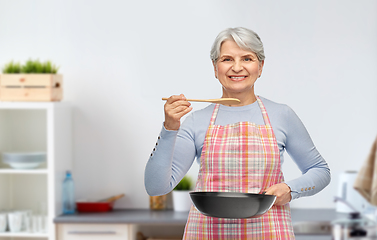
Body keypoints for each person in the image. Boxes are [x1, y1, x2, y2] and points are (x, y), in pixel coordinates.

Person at [144, 27, 330, 239]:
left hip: (268, 232)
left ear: (260, 66)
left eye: (247, 58)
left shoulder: (282, 115)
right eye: (227, 59)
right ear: (215, 67)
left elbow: (320, 170)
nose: (237, 67)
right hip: (207, 233)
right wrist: (169, 128)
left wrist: (291, 189)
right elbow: (156, 186)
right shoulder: (196, 121)